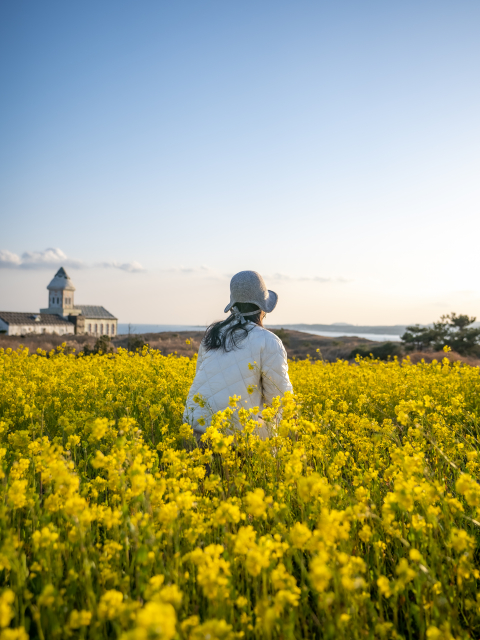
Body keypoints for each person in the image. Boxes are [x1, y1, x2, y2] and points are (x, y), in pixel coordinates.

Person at [183, 270, 292, 441]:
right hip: (235, 439)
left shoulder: (213, 335)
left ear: (233, 305)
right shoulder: (269, 341)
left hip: (194, 432)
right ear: (262, 309)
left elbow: (201, 376)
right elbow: (280, 400)